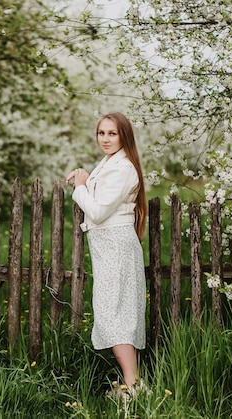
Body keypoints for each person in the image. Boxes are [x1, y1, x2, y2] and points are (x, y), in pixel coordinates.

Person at [65, 112, 147, 397]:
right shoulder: (111, 163)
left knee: (115, 315)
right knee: (114, 312)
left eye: (112, 134)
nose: (106, 139)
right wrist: (83, 179)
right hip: (108, 246)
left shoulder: (123, 167)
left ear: (124, 135)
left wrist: (80, 187)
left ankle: (134, 386)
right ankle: (132, 384)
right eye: (102, 133)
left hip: (116, 246)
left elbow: (98, 211)